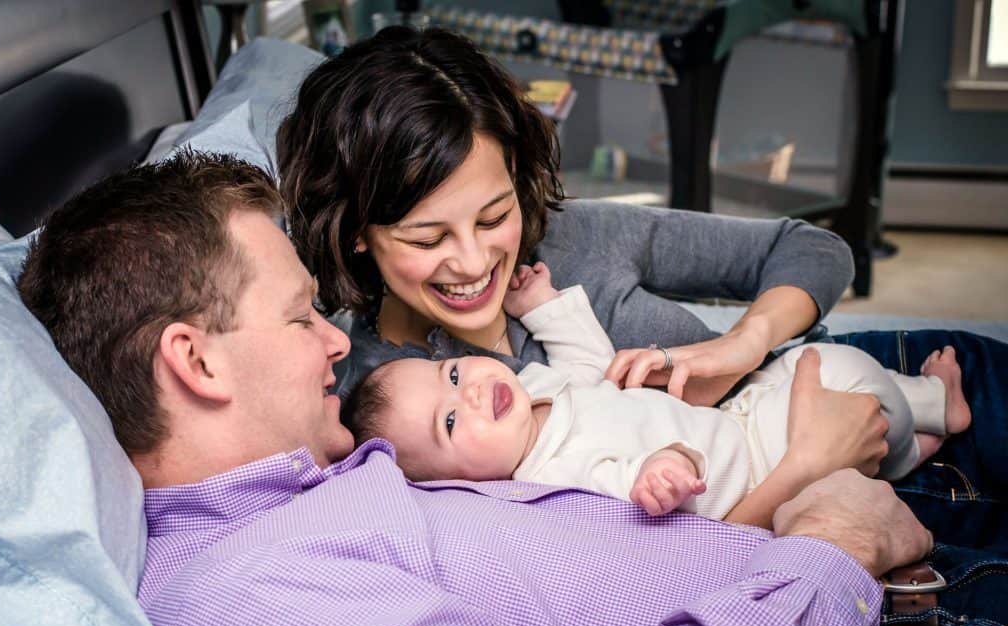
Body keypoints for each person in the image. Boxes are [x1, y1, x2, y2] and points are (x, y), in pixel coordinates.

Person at [17, 151, 1008, 626]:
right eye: (297, 317)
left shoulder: (306, 495)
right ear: (197, 362)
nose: (333, 341)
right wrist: (831, 540)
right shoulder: (251, 610)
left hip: (843, 591)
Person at [277, 26, 855, 408]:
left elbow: (812, 251)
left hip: (830, 381)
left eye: (492, 216)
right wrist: (808, 463)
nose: (476, 262)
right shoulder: (386, 397)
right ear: (355, 231)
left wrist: (746, 343)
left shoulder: (570, 239)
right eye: (428, 238)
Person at [343, 263, 970, 526]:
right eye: (450, 424)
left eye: (453, 376)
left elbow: (589, 363)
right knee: (845, 378)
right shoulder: (551, 486)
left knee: (820, 356)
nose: (473, 393)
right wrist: (662, 475)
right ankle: (911, 444)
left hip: (741, 414)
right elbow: (634, 499)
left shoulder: (530, 390)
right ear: (460, 487)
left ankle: (926, 409)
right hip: (761, 471)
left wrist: (543, 306)